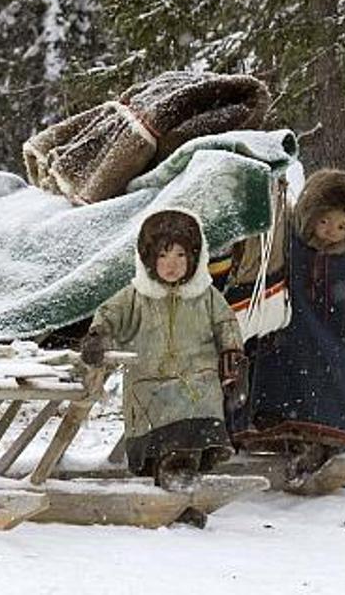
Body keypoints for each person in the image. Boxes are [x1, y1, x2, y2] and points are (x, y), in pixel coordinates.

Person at [232, 169, 345, 483]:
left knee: (341, 371)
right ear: (308, 213)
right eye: (324, 221)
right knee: (281, 363)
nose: (330, 232)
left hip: (343, 348)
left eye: (342, 226)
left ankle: (333, 446)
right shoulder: (283, 251)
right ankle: (294, 440)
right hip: (286, 340)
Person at [81, 208, 246, 525]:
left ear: (195, 258)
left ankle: (181, 495)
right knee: (168, 440)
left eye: (181, 255)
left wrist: (232, 355)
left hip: (199, 382)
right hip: (151, 383)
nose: (172, 264)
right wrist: (97, 337)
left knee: (194, 436)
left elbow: (227, 325)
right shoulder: (136, 297)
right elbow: (108, 315)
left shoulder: (206, 296)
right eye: (163, 255)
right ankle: (174, 487)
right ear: (147, 258)